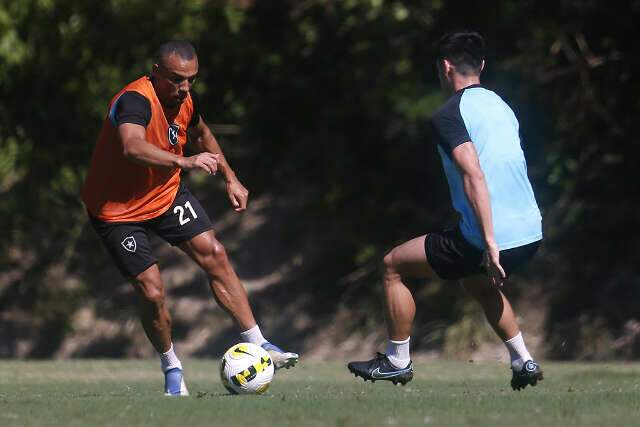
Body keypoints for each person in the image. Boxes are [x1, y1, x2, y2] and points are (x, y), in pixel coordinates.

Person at [82, 40, 298, 396]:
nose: (184, 88)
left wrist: (231, 176)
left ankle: (261, 344)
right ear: (156, 73)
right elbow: (131, 146)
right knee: (152, 291)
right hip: (116, 211)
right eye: (176, 79)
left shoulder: (185, 101)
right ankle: (172, 367)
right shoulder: (135, 100)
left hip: (164, 195)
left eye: (191, 80)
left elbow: (202, 134)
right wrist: (184, 162)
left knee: (214, 252)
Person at [347, 31, 544, 390]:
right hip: (532, 230)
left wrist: (489, 241)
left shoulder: (449, 114)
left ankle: (396, 360)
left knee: (392, 265)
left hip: (491, 236)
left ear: (445, 67)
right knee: (476, 281)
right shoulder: (502, 105)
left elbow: (473, 173)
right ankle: (523, 361)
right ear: (481, 66)